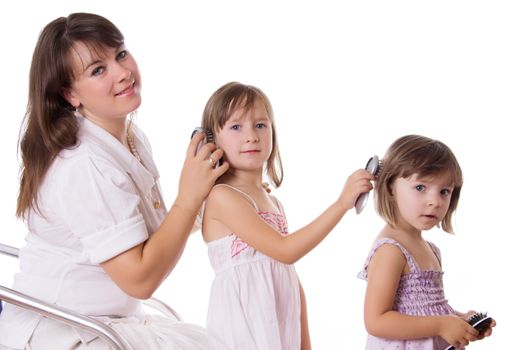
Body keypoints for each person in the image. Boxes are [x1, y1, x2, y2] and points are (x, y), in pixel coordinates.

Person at [0, 12, 229, 349]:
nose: (123, 73)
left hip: (110, 321)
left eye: (120, 54)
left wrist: (218, 197)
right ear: (70, 94)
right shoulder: (82, 165)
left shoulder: (131, 137)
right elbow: (140, 280)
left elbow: (152, 233)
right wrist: (189, 196)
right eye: (98, 70)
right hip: (64, 332)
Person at [199, 81, 374, 349]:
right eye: (236, 127)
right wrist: (341, 205)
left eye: (260, 125)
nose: (251, 136)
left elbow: (287, 273)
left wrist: (305, 342)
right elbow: (286, 250)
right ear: (213, 140)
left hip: (278, 323)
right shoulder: (223, 197)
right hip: (245, 328)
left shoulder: (272, 201)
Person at [358, 134, 496, 349]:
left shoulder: (430, 249)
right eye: (421, 188)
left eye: (444, 191)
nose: (435, 202)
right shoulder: (391, 250)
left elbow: (428, 309)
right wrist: (441, 325)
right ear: (390, 188)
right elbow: (376, 321)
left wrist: (459, 321)